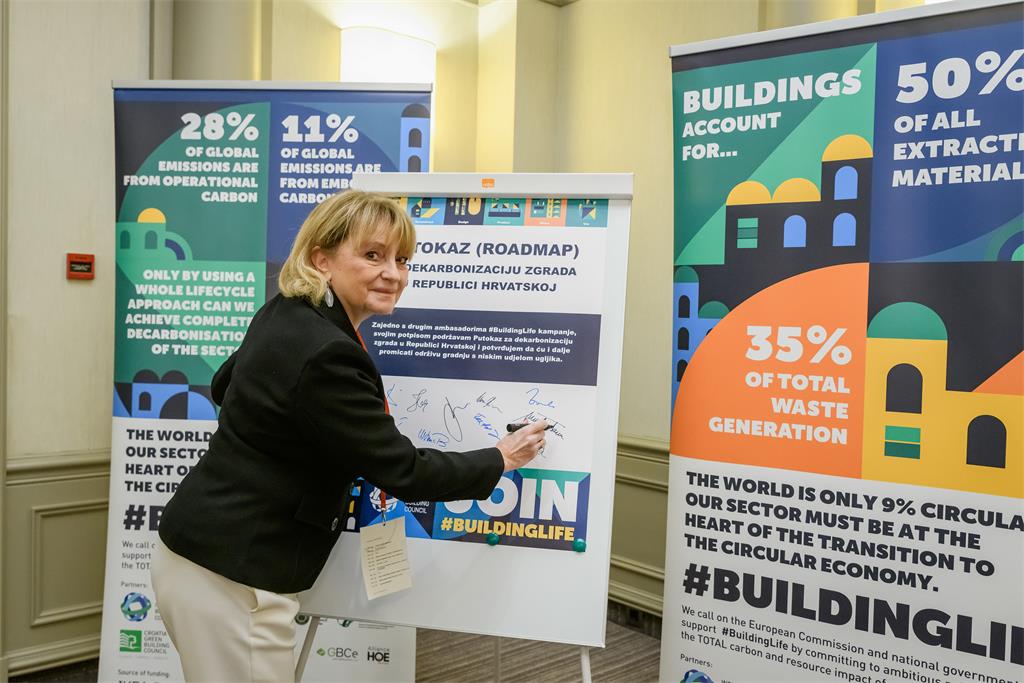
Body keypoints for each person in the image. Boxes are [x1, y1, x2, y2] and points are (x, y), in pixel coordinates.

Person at [150, 190, 547, 682]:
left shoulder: (287, 312)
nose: (393, 273)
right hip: (233, 578)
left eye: (402, 259)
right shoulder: (327, 352)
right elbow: (405, 470)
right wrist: (501, 456)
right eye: (373, 255)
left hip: (199, 557)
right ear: (322, 260)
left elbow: (223, 385)